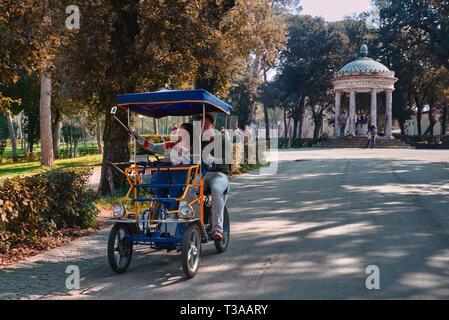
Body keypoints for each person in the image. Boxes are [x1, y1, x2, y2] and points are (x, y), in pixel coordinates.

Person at [195, 114, 231, 241]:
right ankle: (195, 220)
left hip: (220, 174)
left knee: (216, 189)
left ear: (213, 125)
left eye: (205, 125)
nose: (202, 127)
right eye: (200, 125)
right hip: (203, 175)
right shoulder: (198, 141)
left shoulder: (222, 140)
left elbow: (227, 159)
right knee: (188, 187)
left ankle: (217, 228)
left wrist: (214, 160)